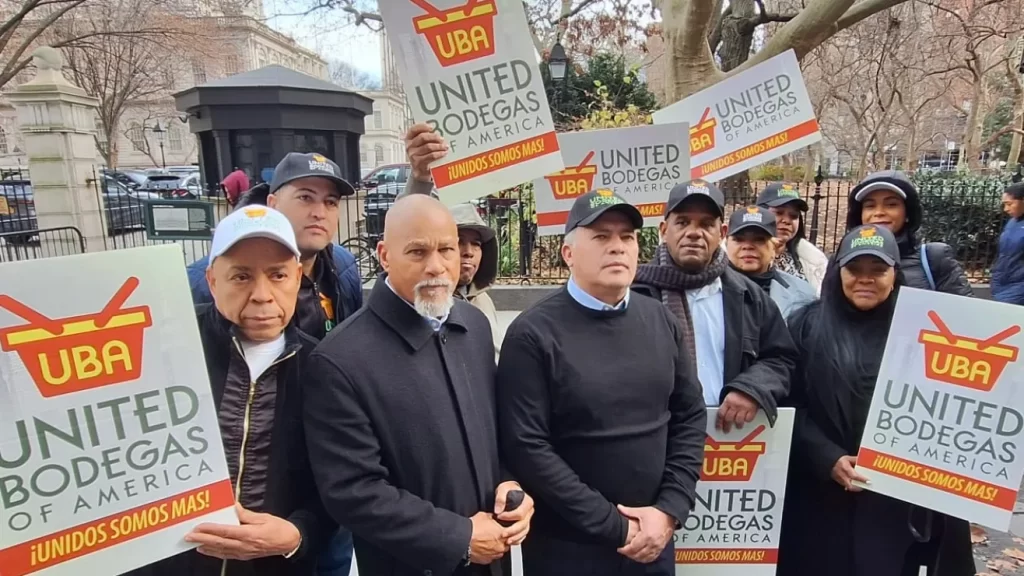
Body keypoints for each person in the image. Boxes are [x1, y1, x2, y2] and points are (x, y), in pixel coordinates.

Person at [303, 194, 534, 576]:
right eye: (417, 251)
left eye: (447, 249)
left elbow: (494, 433)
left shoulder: (473, 326)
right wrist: (457, 537)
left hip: (493, 560)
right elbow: (352, 492)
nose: (436, 266)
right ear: (383, 254)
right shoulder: (339, 361)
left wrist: (512, 486)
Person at [497, 189, 706, 576]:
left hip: (654, 541)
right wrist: (615, 526)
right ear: (568, 253)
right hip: (570, 550)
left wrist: (670, 510)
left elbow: (689, 416)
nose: (618, 247)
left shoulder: (661, 320)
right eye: (601, 236)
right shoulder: (532, 334)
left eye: (626, 237)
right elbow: (527, 447)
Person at [132, 206, 334, 576]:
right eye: (241, 276)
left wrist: (297, 535)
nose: (262, 295)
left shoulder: (323, 368)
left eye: (278, 275)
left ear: (297, 278)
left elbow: (336, 485)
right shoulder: (155, 349)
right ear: (212, 281)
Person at [777, 224, 975, 576]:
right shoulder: (805, 325)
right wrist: (828, 458)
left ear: (894, 275)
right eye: (855, 270)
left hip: (900, 506)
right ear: (839, 273)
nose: (865, 279)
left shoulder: (931, 333)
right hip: (821, 502)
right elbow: (789, 406)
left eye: (877, 270)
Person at [633, 180, 797, 432]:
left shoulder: (749, 297)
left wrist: (752, 388)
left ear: (721, 233)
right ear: (664, 230)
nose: (694, 232)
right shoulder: (634, 295)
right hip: (655, 440)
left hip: (728, 441)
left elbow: (781, 358)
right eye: (683, 222)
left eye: (706, 224)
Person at [188, 152, 363, 341]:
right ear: (273, 203)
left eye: (330, 202)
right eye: (305, 197)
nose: (319, 213)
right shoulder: (199, 284)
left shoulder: (344, 265)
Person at [846, 171, 972, 296]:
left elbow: (965, 311)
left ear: (908, 213)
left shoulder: (934, 258)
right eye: (870, 206)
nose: (879, 212)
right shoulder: (843, 261)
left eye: (891, 204)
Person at [725, 205, 816, 321]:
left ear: (775, 246)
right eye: (739, 239)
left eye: (759, 239)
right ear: (726, 242)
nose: (748, 246)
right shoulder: (707, 290)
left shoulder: (804, 295)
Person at [755, 182, 828, 294]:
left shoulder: (814, 261)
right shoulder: (741, 256)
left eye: (793, 216)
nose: (787, 221)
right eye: (779, 213)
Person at [450, 203, 502, 355]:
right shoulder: (429, 302)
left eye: (476, 244)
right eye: (459, 242)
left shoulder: (483, 300)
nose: (469, 252)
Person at [991, 182, 1024, 305]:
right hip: (1001, 282)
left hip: (1019, 286)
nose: (1006, 209)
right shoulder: (1012, 222)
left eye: (1009, 204)